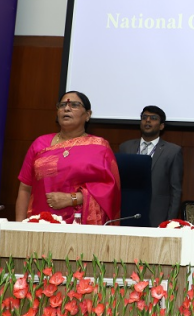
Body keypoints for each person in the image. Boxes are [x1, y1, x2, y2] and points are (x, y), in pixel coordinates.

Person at [18, 91, 120, 224]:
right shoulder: (40, 144)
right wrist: (18, 227)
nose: (66, 108)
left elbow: (110, 190)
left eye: (74, 105)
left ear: (88, 115)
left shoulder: (100, 147)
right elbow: (25, 188)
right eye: (62, 105)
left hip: (81, 227)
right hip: (40, 224)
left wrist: (73, 199)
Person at [117, 105, 183, 225]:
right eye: (144, 117)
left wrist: (170, 222)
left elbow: (175, 190)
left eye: (153, 118)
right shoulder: (125, 147)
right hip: (128, 212)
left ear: (162, 126)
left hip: (157, 216)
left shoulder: (172, 151)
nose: (148, 120)